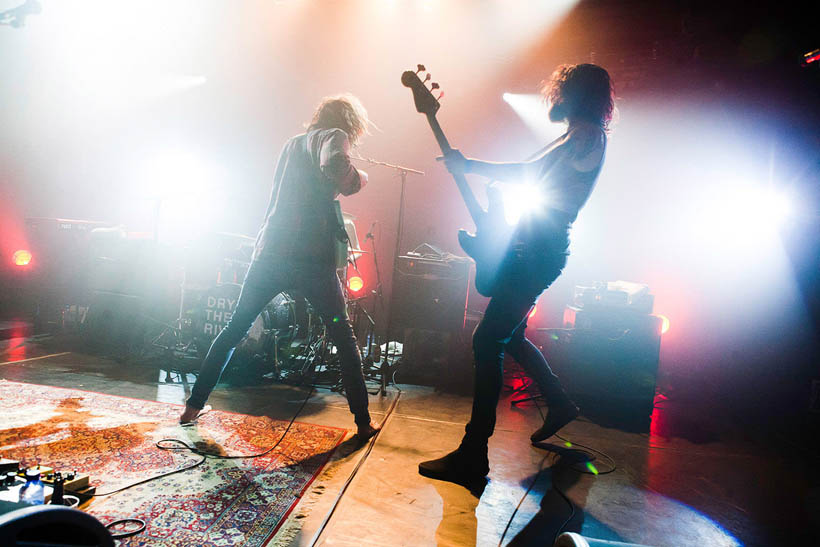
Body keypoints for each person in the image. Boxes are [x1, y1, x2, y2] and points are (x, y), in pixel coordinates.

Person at [419, 64, 615, 484]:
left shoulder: (586, 136)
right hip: (535, 246)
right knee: (513, 334)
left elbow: (529, 174)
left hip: (539, 251)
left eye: (561, 90)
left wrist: (469, 164)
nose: (553, 98)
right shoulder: (576, 135)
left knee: (487, 339)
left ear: (575, 94)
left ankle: (473, 455)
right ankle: (560, 404)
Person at [179, 94, 381, 440]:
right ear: (350, 123)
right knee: (344, 338)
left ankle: (192, 408)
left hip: (270, 252)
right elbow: (336, 164)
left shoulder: (292, 144)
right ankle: (363, 422)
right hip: (310, 260)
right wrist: (359, 178)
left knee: (234, 329)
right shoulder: (334, 135)